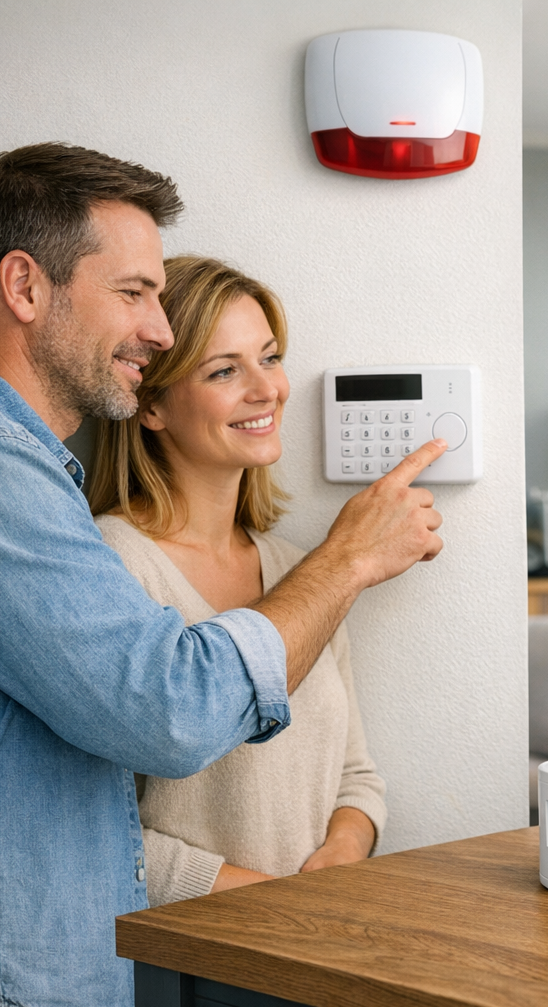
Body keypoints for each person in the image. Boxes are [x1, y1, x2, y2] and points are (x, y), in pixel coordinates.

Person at [0, 143, 445, 1007]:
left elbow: (349, 773)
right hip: (23, 992)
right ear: (23, 287)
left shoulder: (13, 469)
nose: (158, 330)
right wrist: (349, 558)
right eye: (133, 293)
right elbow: (166, 711)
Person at [90, 255, 386, 901]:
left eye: (270, 357)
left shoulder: (299, 569)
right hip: (187, 957)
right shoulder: (111, 563)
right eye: (225, 370)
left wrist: (343, 852)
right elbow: (90, 825)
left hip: (308, 932)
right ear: (151, 406)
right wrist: (270, 904)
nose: (267, 389)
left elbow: (355, 776)